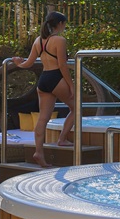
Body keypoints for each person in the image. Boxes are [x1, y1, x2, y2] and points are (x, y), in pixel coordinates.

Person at [11, 11, 75, 167]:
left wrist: (18, 63)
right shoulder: (59, 40)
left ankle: (38, 152)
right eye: (64, 24)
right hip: (56, 78)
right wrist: (71, 85)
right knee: (77, 109)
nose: (64, 27)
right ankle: (62, 139)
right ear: (60, 24)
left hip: (43, 80)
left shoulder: (38, 41)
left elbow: (29, 63)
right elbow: (62, 65)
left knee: (43, 118)